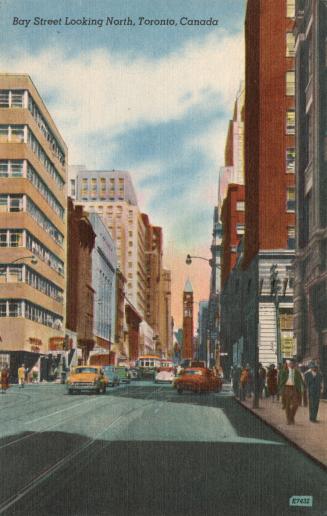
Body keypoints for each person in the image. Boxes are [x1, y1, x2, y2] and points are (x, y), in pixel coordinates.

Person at [278, 359, 304, 425]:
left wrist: (302, 388)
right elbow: (280, 381)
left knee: (296, 404)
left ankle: (291, 417)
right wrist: (281, 390)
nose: (292, 365)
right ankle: (288, 420)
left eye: (293, 363)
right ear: (288, 364)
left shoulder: (297, 372)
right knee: (287, 405)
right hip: (286, 388)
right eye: (290, 363)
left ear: (294, 364)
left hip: (294, 388)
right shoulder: (283, 371)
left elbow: (301, 380)